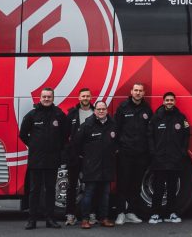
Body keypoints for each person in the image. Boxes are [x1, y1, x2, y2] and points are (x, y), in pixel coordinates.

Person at [19, 87, 68, 230]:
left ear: (53, 98)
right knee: (35, 190)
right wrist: (33, 145)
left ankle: (50, 219)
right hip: (36, 160)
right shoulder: (32, 115)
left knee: (51, 189)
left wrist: (57, 148)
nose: (46, 99)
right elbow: (23, 134)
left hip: (52, 159)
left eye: (49, 97)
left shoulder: (59, 114)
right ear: (40, 98)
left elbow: (65, 134)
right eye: (44, 97)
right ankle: (32, 220)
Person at [72, 100, 118, 229]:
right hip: (92, 166)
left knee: (105, 194)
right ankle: (85, 219)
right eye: (99, 109)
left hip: (107, 165)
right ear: (95, 110)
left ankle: (103, 218)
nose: (101, 111)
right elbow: (77, 143)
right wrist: (85, 158)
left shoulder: (113, 124)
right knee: (89, 193)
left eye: (103, 109)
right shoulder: (87, 125)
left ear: (107, 110)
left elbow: (117, 141)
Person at [114, 83, 153, 224]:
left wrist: (148, 150)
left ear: (143, 93)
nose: (137, 93)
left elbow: (150, 132)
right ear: (131, 92)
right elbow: (115, 129)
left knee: (136, 185)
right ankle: (120, 213)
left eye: (140, 91)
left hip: (141, 154)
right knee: (123, 183)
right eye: (135, 90)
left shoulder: (147, 109)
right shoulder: (123, 108)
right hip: (125, 153)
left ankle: (131, 212)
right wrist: (118, 147)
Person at [148, 92, 190, 224]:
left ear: (175, 102)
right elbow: (150, 136)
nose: (169, 102)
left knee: (172, 189)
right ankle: (155, 214)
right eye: (167, 100)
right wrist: (153, 152)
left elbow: (186, 136)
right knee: (158, 189)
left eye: (171, 100)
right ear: (163, 101)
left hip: (174, 160)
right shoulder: (156, 118)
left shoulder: (181, 118)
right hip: (159, 160)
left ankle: (172, 213)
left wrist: (182, 152)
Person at [63, 88, 94, 225]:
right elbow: (64, 134)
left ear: (91, 97)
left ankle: (91, 214)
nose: (85, 98)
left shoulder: (95, 113)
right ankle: (70, 214)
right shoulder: (72, 114)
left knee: (91, 186)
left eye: (87, 96)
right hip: (74, 156)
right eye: (83, 96)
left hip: (90, 157)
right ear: (79, 98)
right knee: (72, 186)